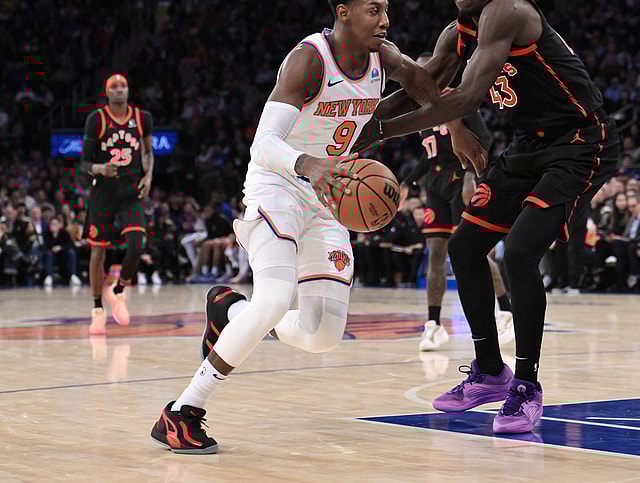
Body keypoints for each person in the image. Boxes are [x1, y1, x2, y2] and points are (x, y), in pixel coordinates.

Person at [151, 0, 484, 454]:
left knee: (322, 334)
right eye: (373, 10)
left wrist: (455, 124)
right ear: (343, 12)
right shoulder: (309, 60)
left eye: (386, 9)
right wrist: (311, 165)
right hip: (279, 185)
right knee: (271, 300)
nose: (385, 20)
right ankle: (182, 411)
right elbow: (264, 145)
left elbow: (424, 84)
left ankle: (229, 312)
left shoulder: (383, 56)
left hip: (330, 195)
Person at [352, 0, 620, 433]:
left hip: (580, 141)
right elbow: (426, 85)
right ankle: (492, 371)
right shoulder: (456, 31)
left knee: (518, 254)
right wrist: (361, 120)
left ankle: (527, 388)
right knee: (464, 247)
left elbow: (467, 96)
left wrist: (378, 132)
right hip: (528, 144)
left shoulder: (508, 11)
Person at [400, 53, 514, 351]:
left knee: (472, 251)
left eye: (425, 69)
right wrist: (407, 182)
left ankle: (506, 311)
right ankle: (434, 324)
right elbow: (429, 156)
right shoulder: (423, 109)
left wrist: (469, 175)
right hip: (435, 186)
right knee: (435, 253)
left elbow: (484, 138)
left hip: (459, 180)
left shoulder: (458, 99)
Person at [79, 73, 154, 334]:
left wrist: (149, 175)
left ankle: (119, 290)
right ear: (107, 93)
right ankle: (97, 309)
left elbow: (147, 151)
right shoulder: (96, 120)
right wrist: (100, 168)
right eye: (114, 87)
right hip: (103, 192)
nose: (120, 90)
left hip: (131, 190)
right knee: (97, 252)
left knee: (137, 245)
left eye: (123, 86)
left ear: (128, 90)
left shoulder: (142, 118)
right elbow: (84, 163)